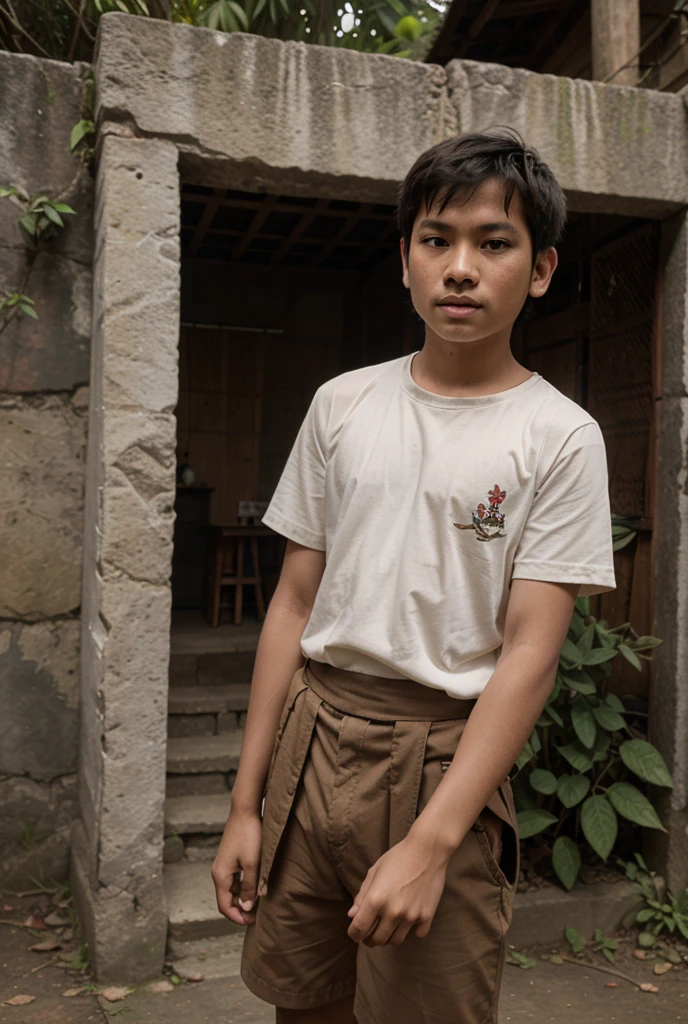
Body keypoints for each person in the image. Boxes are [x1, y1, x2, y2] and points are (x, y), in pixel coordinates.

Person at [211, 128, 616, 1024]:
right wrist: (246, 805)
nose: (461, 267)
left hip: (443, 757)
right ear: (405, 260)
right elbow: (295, 602)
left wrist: (432, 843)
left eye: (494, 242)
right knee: (302, 1003)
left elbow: (529, 656)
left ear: (541, 269)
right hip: (310, 746)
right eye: (437, 240)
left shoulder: (559, 436)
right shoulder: (343, 404)